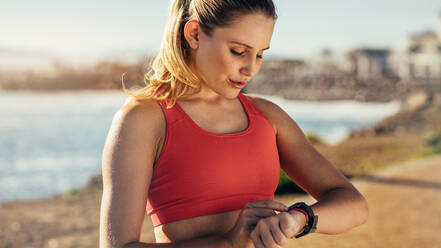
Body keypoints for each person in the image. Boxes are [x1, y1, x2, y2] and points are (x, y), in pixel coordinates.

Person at [99, 0, 369, 247]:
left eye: (260, 54)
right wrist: (228, 243)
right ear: (194, 34)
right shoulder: (144, 118)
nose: (251, 68)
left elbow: (354, 205)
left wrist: (299, 218)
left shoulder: (268, 116)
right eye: (238, 51)